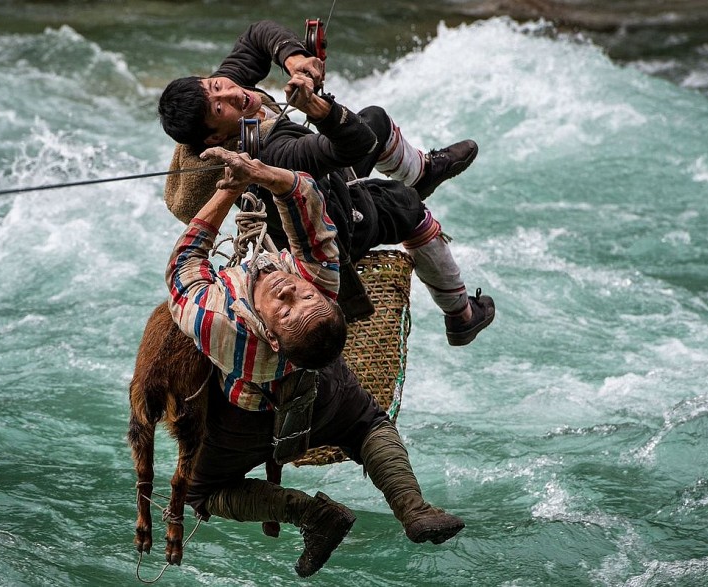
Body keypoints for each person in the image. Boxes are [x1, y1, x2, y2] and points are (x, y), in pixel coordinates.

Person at [166, 146, 466, 577]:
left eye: (289, 307)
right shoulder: (322, 278)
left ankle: (312, 515)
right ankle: (414, 508)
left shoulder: (220, 323)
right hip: (323, 394)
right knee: (368, 425)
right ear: (326, 296)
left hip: (244, 422)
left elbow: (185, 263)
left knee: (202, 491)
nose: (290, 290)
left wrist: (230, 190)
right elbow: (306, 200)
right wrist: (262, 173)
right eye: (302, 296)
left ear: (270, 334)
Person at [158, 19, 494, 346]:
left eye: (217, 85)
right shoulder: (272, 152)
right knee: (406, 204)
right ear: (215, 136)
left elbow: (257, 35)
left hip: (317, 187)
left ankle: (423, 172)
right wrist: (319, 109)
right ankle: (461, 317)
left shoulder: (229, 96)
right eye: (220, 107)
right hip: (329, 228)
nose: (232, 93)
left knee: (375, 119)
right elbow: (354, 145)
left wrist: (295, 59)